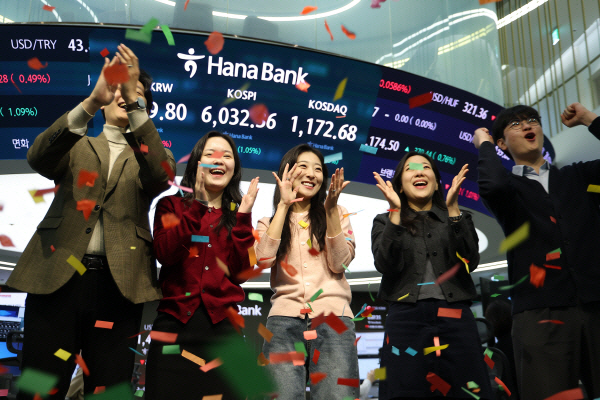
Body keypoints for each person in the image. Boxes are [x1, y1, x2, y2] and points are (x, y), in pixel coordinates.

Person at [7, 44, 175, 399]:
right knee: (39, 387)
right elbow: (38, 156)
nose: (124, 95)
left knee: (109, 390)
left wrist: (135, 104)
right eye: (118, 89)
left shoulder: (155, 156)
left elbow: (161, 176)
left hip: (120, 286)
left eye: (134, 92)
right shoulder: (76, 145)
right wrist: (91, 102)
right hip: (56, 279)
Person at [473, 102, 600, 399]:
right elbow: (493, 186)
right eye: (515, 124)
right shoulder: (508, 188)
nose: (528, 125)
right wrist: (485, 146)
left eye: (532, 120)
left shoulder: (577, 177)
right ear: (502, 143)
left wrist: (589, 119)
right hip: (539, 312)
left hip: (596, 303)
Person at [144, 132, 259, 400]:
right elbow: (165, 254)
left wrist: (244, 217)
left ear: (234, 167)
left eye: (227, 156)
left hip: (225, 334)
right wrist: (197, 206)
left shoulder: (239, 215)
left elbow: (243, 273)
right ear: (197, 162)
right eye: (210, 154)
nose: (219, 160)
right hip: (173, 329)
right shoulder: (170, 205)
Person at [371, 152, 492, 400]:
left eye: (426, 167)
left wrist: (453, 210)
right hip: (405, 319)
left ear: (436, 183)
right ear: (400, 186)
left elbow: (470, 261)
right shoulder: (384, 221)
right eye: (410, 169)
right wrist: (395, 213)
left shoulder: (459, 217)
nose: (419, 172)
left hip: (455, 315)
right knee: (404, 389)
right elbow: (385, 264)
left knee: (468, 389)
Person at [255, 144, 358, 400]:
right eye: (303, 166)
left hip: (333, 318)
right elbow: (263, 260)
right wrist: (283, 206)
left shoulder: (338, 213)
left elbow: (339, 264)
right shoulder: (267, 222)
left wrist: (331, 210)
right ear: (287, 172)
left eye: (318, 169)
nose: (312, 174)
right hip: (283, 322)